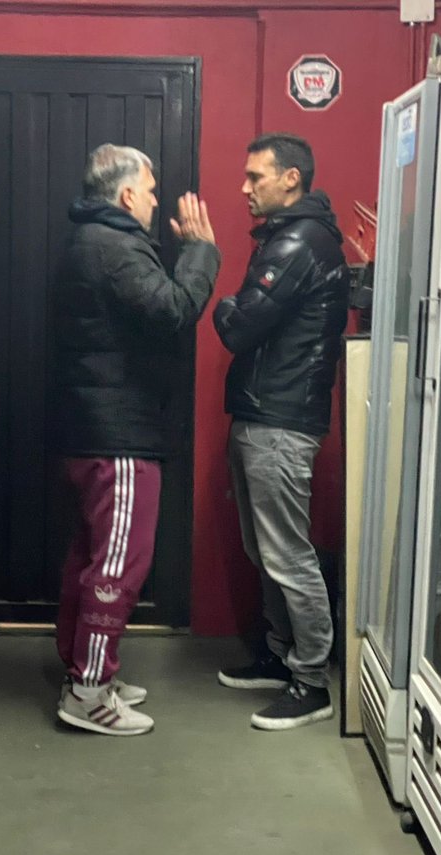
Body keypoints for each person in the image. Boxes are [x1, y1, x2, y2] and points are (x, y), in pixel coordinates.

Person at [52, 143, 219, 736]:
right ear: (126, 195)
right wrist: (202, 251)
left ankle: (83, 669)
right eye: (150, 189)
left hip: (94, 429)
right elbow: (175, 308)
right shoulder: (115, 245)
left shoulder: (91, 240)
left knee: (91, 557)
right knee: (118, 564)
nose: (154, 200)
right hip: (116, 435)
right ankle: (88, 693)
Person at [213, 133, 349, 731]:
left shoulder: (297, 242)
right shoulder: (288, 237)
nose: (244, 188)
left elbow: (238, 328)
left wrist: (222, 304)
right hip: (265, 414)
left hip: (281, 421)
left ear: (290, 178)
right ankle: (279, 655)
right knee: (263, 550)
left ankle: (312, 682)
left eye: (254, 176)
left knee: (288, 555)